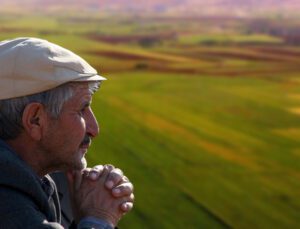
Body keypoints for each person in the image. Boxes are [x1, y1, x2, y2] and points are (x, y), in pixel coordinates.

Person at [0, 37, 134, 228]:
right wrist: (99, 219)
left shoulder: (22, 186)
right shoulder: (12, 210)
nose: (94, 129)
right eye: (81, 109)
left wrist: (82, 219)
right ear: (35, 120)